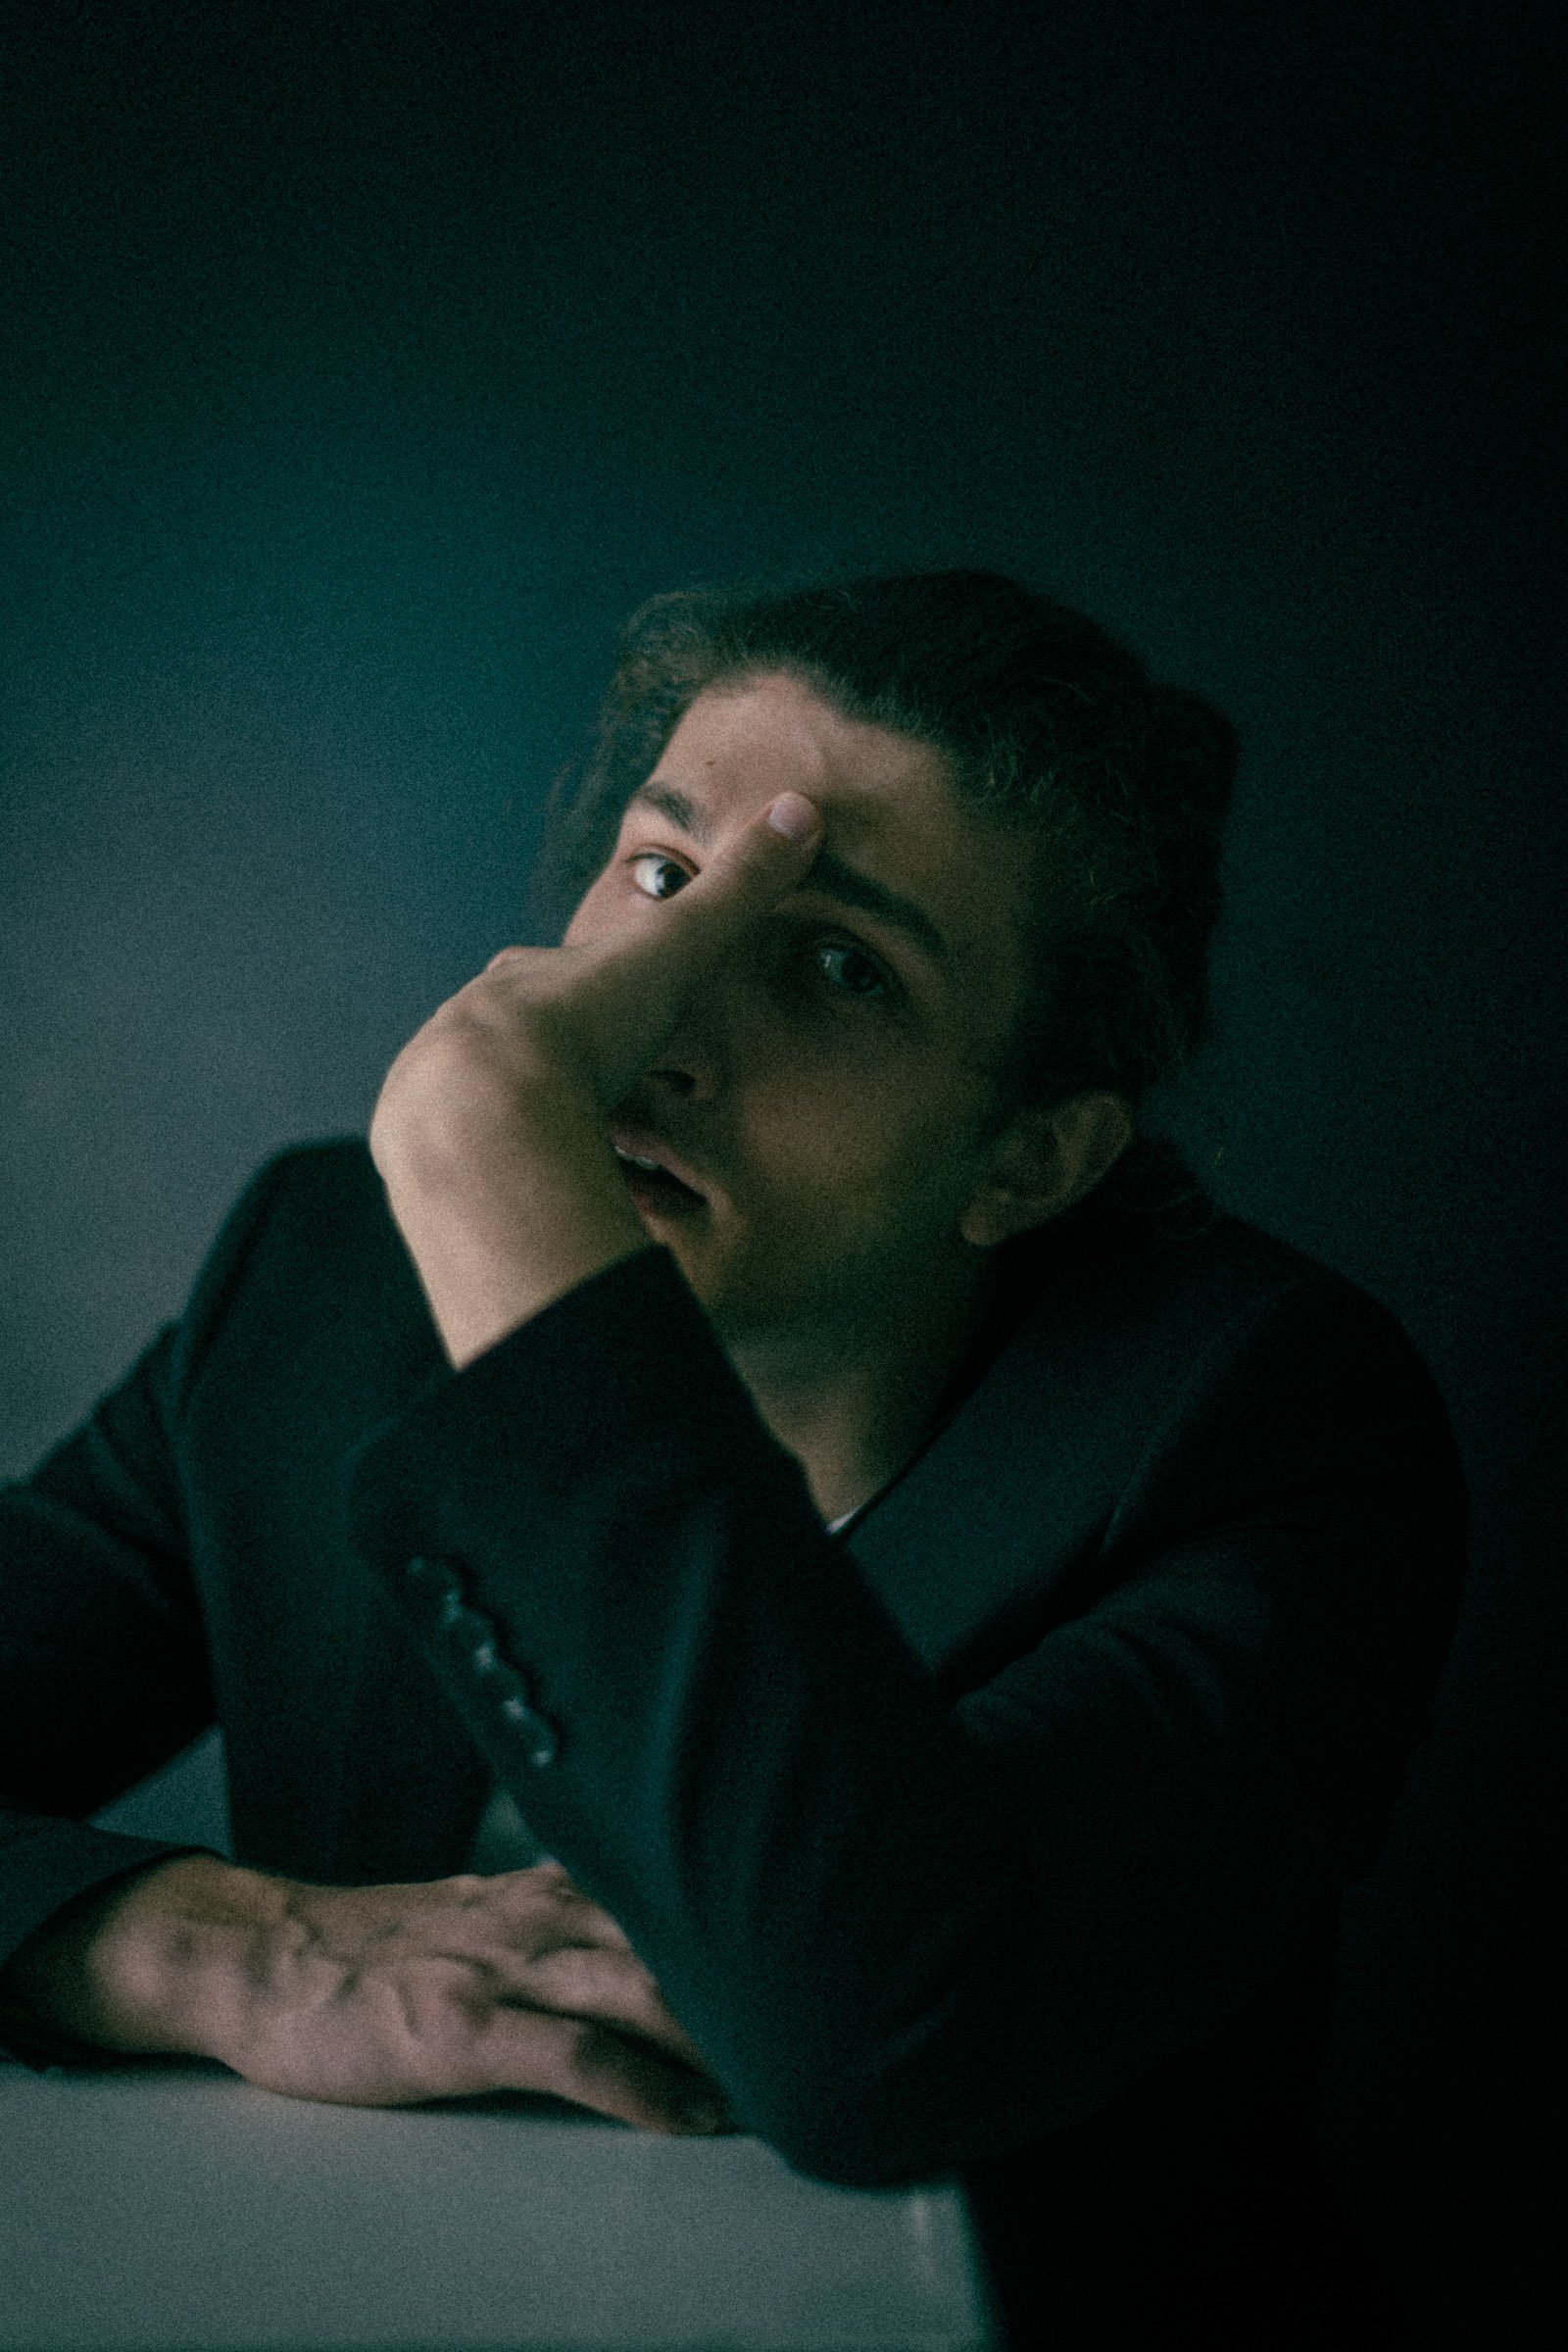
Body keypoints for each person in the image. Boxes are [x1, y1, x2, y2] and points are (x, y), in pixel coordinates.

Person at [0, 572, 1462, 2346]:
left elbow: (875, 2040)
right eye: (663, 876)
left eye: (840, 967)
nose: (667, 1029)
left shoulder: (1267, 1433)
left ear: (1028, 1159)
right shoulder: (325, 1285)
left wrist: (516, 1208)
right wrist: (191, 1944)